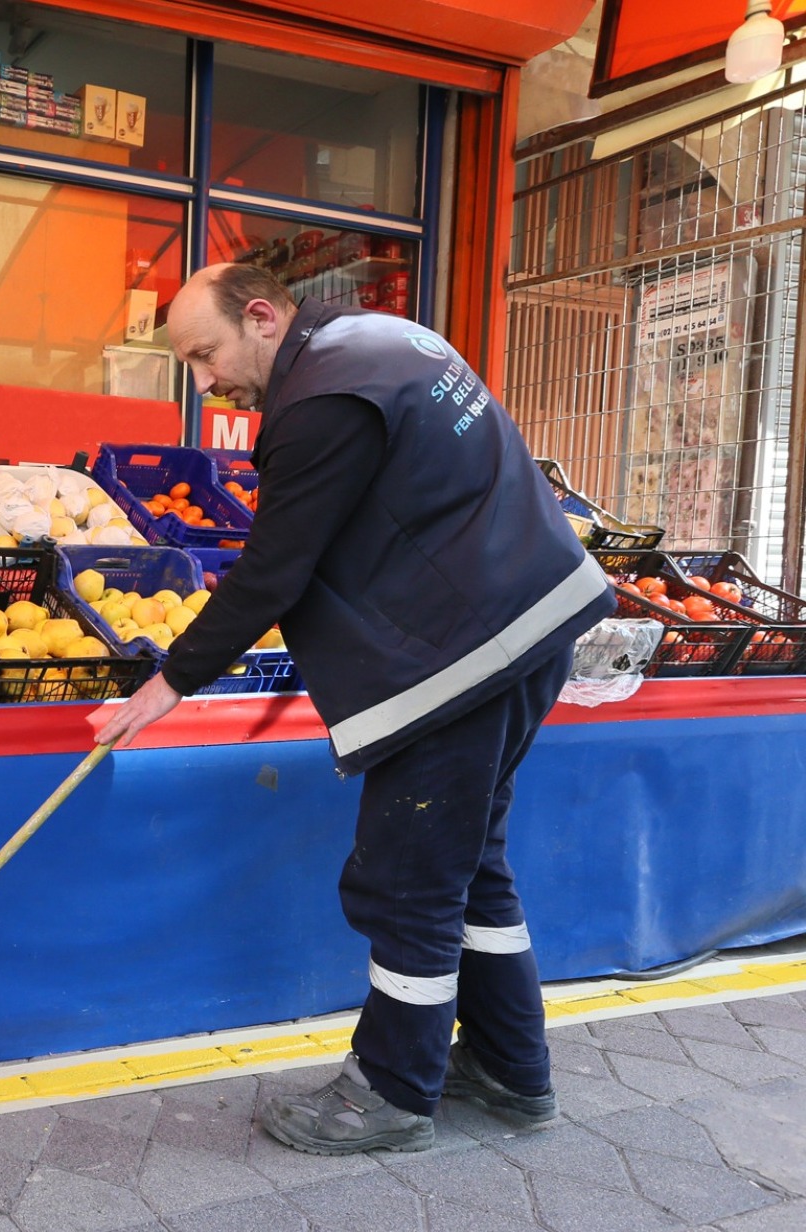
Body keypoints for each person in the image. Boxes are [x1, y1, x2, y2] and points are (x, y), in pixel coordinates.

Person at [90, 263, 615, 1156]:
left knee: (408, 877)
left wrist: (170, 679)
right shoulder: (387, 342)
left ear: (261, 316)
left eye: (207, 354)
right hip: (530, 625)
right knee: (467, 864)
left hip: (461, 656)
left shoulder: (324, 398)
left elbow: (276, 565)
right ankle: (510, 1068)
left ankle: (392, 1093)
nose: (206, 379)